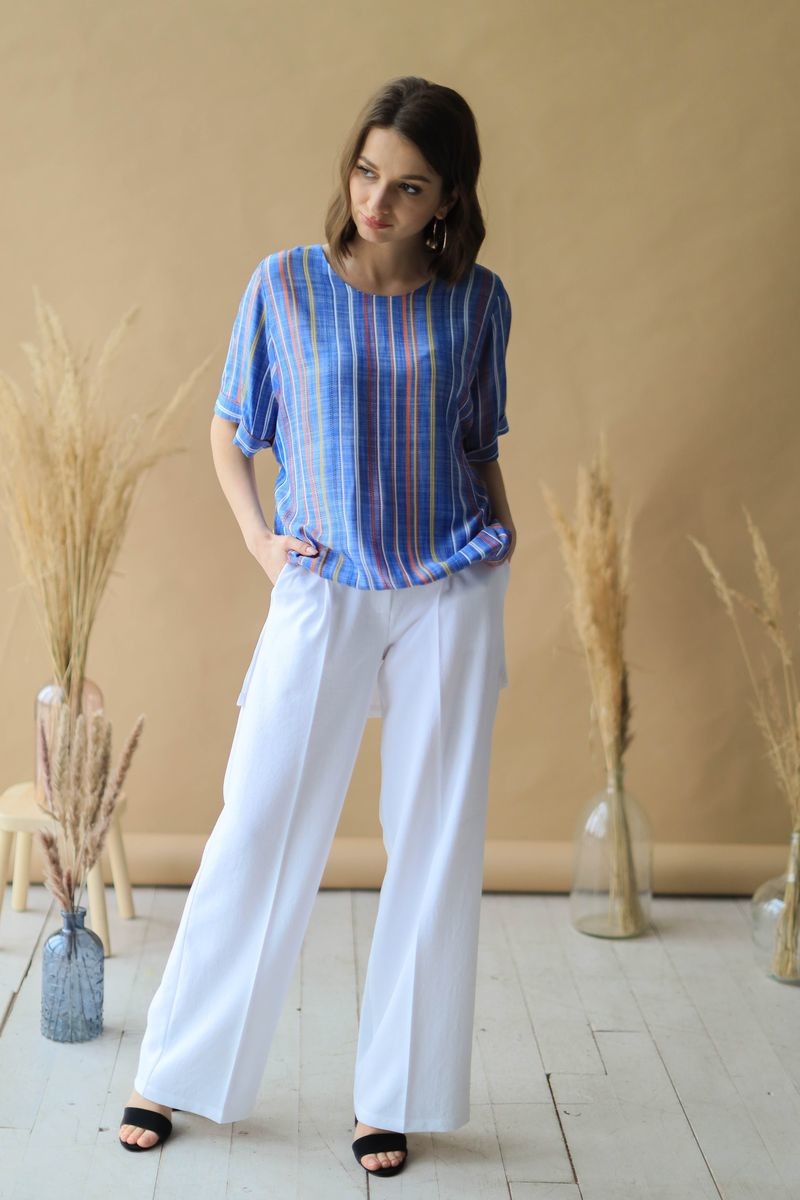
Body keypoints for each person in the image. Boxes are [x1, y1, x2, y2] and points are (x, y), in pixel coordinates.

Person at [119, 74, 516, 1180]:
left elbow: (478, 439)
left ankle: (393, 1097)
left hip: (450, 583)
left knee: (435, 840)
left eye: (408, 187)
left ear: (447, 199)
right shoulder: (285, 284)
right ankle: (175, 1072)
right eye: (366, 171)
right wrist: (260, 542)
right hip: (323, 578)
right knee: (260, 822)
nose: (377, 201)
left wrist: (506, 539)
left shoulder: (479, 301)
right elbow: (230, 426)